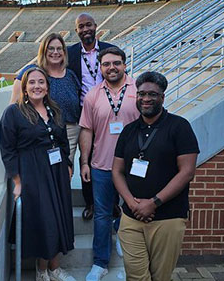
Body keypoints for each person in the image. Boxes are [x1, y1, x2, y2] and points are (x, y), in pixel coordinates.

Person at [112, 71, 200, 281]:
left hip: (167, 217)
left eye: (152, 94)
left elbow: (187, 171)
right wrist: (131, 204)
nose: (146, 99)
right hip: (131, 218)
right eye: (141, 94)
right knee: (136, 276)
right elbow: (116, 170)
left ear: (162, 96)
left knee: (160, 277)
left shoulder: (179, 127)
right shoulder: (129, 131)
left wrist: (154, 202)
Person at [0, 67, 76, 281]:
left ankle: (54, 268)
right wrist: (17, 181)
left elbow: (62, 141)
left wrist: (68, 163)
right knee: (46, 222)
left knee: (60, 218)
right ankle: (42, 271)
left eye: (41, 82)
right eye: (32, 82)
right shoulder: (13, 113)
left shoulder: (55, 110)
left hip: (56, 172)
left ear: (47, 86)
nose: (37, 86)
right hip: (33, 174)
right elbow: (7, 149)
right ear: (24, 87)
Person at [79, 47, 139, 281]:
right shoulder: (93, 95)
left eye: (116, 63)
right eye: (106, 64)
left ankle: (129, 256)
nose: (111, 67)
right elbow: (86, 130)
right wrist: (84, 162)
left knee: (132, 211)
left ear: (124, 65)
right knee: (102, 214)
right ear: (101, 67)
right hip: (102, 165)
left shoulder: (138, 90)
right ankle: (100, 263)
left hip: (134, 167)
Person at [68, 13, 118, 220]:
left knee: (111, 157)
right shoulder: (70, 53)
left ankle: (112, 203)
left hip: (108, 111)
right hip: (82, 114)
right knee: (85, 158)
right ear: (77, 30)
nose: (85, 29)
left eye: (88, 25)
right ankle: (90, 202)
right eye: (81, 26)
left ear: (96, 26)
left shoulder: (109, 49)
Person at [9, 33, 81, 166]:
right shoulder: (31, 71)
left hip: (69, 132)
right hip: (40, 132)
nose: (55, 52)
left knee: (65, 173)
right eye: (51, 48)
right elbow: (14, 105)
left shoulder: (70, 75)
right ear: (44, 51)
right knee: (43, 172)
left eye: (59, 49)